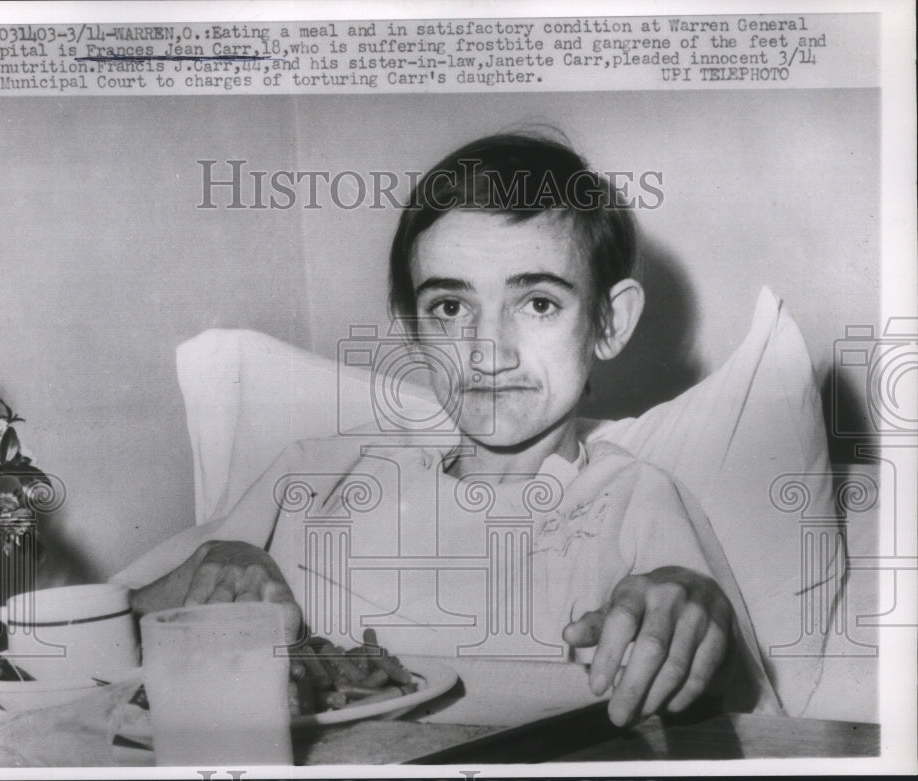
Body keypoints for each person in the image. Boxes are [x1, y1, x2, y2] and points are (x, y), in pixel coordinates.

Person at [114, 132, 778, 726]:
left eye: (539, 302)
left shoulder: (636, 498)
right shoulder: (312, 472)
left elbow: (736, 709)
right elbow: (96, 625)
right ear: (413, 329)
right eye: (451, 305)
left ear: (608, 321)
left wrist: (693, 619)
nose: (488, 350)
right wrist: (211, 566)